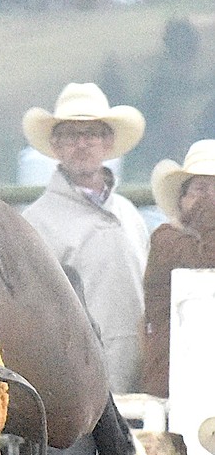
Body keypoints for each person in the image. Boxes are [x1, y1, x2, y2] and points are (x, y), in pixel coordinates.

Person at [21, 82, 148, 399]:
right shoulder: (36, 223)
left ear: (107, 142)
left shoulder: (131, 215)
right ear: (56, 145)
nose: (82, 144)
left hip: (141, 379)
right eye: (71, 135)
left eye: (91, 134)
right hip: (76, 387)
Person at [142, 139, 215, 398]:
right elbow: (204, 259)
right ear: (181, 199)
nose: (209, 201)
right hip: (175, 381)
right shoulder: (166, 239)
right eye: (200, 190)